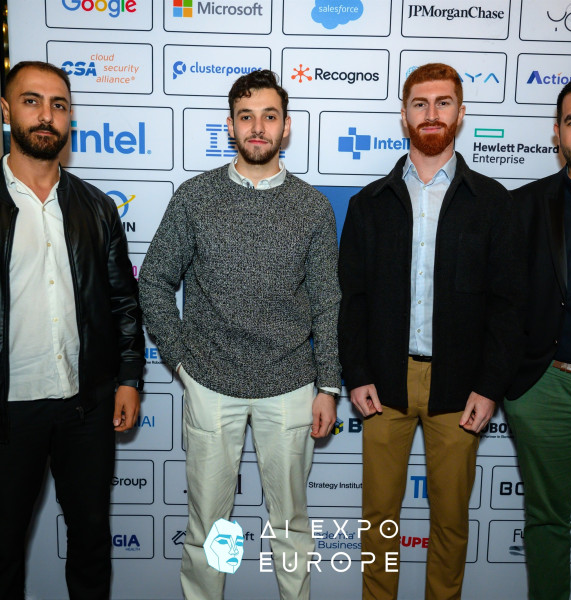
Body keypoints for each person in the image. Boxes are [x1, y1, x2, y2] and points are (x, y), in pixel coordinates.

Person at [138, 69, 340, 600]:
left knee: (291, 523)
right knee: (210, 525)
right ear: (230, 126)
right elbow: (154, 280)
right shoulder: (195, 197)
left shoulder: (312, 206)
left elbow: (327, 301)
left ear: (286, 127)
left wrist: (328, 384)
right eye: (246, 117)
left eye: (269, 116)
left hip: (291, 384)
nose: (257, 127)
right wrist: (181, 361)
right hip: (210, 382)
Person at [338, 63, 525, 600]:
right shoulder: (369, 203)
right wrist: (357, 373)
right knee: (378, 519)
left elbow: (508, 306)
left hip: (460, 387)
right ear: (404, 115)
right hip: (383, 386)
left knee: (450, 521)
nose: (431, 113)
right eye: (420, 103)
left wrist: (489, 386)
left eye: (443, 103)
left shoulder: (493, 202)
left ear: (461, 114)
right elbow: (351, 300)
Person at [0, 61, 145, 600]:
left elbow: (123, 302)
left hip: (85, 407)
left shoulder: (96, 207)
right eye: (32, 101)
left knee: (90, 544)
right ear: (6, 110)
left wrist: (129, 378)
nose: (47, 115)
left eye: (59, 105)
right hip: (8, 412)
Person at [504, 72, 571, 600]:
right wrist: (518, 387)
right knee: (546, 523)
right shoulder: (526, 205)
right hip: (548, 388)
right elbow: (501, 303)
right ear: (558, 133)